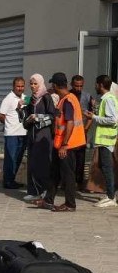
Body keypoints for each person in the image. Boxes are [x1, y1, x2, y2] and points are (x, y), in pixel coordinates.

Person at [35, 72, 86, 212]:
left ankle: (70, 204)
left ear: (56, 85)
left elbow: (69, 122)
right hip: (61, 144)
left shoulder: (68, 100)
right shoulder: (67, 98)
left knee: (68, 175)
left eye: (53, 84)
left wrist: (64, 144)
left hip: (67, 145)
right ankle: (48, 200)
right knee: (55, 172)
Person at [84, 75, 118, 207]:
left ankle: (111, 197)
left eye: (96, 84)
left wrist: (94, 117)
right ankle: (110, 194)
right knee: (103, 167)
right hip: (105, 139)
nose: (95, 86)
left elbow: (112, 120)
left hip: (106, 139)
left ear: (101, 85)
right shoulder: (107, 99)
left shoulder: (108, 99)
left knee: (107, 167)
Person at [21, 74, 56, 203]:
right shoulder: (31, 100)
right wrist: (24, 113)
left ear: (40, 83)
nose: (33, 86)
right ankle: (33, 191)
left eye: (35, 84)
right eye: (31, 84)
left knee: (43, 163)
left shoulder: (46, 97)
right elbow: (26, 117)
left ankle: (45, 191)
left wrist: (38, 117)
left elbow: (52, 116)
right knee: (32, 163)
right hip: (32, 135)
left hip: (43, 136)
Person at [0, 77, 28, 190]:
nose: (20, 88)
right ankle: (8, 182)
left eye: (22, 86)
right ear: (13, 87)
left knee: (18, 158)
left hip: (23, 133)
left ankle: (12, 180)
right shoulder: (8, 98)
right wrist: (8, 124)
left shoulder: (25, 98)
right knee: (10, 158)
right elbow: (0, 115)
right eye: (18, 86)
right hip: (11, 134)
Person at [70, 75, 94, 192]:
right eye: (76, 86)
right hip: (69, 133)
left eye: (81, 86)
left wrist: (85, 130)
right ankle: (67, 182)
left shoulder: (87, 97)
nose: (78, 88)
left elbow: (91, 116)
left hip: (81, 133)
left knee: (80, 159)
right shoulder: (68, 95)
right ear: (71, 84)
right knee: (69, 159)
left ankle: (79, 183)